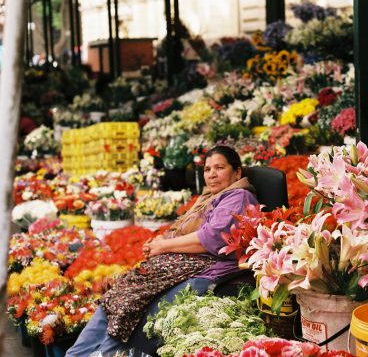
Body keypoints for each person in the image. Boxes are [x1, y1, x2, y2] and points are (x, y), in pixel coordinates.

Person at [66, 146, 258, 356]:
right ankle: (77, 354)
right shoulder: (210, 196)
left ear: (237, 172)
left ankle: (102, 353)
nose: (211, 174)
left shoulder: (238, 196)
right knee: (121, 291)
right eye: (207, 169)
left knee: (132, 301)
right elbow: (185, 228)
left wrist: (163, 246)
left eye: (219, 168)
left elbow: (211, 239)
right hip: (183, 262)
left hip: (208, 266)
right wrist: (161, 241)